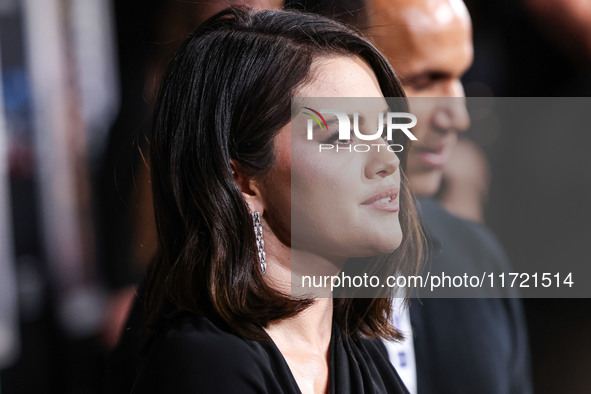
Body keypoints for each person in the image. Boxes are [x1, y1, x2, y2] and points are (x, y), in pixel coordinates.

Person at [130, 7, 424, 393]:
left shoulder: (362, 355)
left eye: (385, 131)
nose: (386, 160)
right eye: (339, 137)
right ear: (241, 180)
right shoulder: (206, 365)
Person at [286, 0, 533, 393]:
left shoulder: (476, 258)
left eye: (459, 78)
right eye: (424, 81)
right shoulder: (253, 299)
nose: (458, 116)